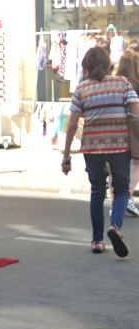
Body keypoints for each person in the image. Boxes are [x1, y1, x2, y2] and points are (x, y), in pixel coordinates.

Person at [62, 46, 138, 257]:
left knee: (97, 190)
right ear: (108, 65)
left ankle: (97, 240)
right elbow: (136, 113)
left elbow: (71, 125)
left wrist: (66, 154)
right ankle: (115, 226)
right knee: (121, 189)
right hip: (119, 146)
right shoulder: (123, 83)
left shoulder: (81, 89)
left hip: (92, 147)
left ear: (85, 67)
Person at [115, 48, 139, 217]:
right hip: (133, 127)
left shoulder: (114, 82)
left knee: (115, 166)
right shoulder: (136, 84)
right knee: (137, 163)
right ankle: (127, 196)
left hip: (115, 127)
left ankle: (117, 200)